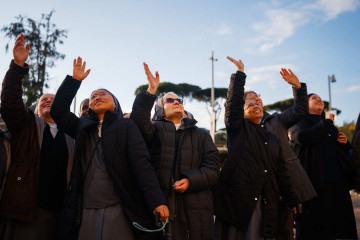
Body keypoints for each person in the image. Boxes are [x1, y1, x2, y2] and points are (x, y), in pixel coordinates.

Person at [50, 57, 169, 240]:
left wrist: (157, 201)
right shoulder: (81, 126)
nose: (97, 97)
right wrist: (74, 81)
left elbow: (141, 165)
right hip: (85, 209)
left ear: (115, 103)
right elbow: (57, 111)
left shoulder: (126, 126)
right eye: (93, 97)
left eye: (103, 94)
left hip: (119, 208)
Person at [213, 57, 305, 240]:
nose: (256, 106)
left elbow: (281, 173)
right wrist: (239, 74)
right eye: (251, 104)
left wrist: (291, 198)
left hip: (266, 202)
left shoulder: (272, 140)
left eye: (259, 104)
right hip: (239, 201)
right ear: (242, 111)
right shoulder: (238, 129)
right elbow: (233, 105)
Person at [131, 63, 221, 240]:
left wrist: (190, 180)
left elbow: (213, 168)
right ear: (160, 110)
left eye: (179, 100)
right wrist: (151, 90)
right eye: (169, 100)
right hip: (161, 208)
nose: (176, 102)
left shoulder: (202, 134)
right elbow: (138, 119)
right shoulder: (153, 129)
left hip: (196, 212)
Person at [0, 34, 75, 240]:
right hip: (26, 214)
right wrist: (17, 66)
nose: (49, 101)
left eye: (54, 99)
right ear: (35, 107)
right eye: (44, 99)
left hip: (61, 217)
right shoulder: (27, 126)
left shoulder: (72, 137)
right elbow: (9, 103)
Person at [289, 93, 358, 239]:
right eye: (314, 98)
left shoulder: (329, 126)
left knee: (338, 229)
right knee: (313, 230)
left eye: (320, 98)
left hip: (337, 185)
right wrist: (326, 122)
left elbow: (341, 152)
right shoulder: (299, 122)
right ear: (305, 105)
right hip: (313, 186)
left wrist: (345, 144)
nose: (319, 99)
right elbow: (303, 138)